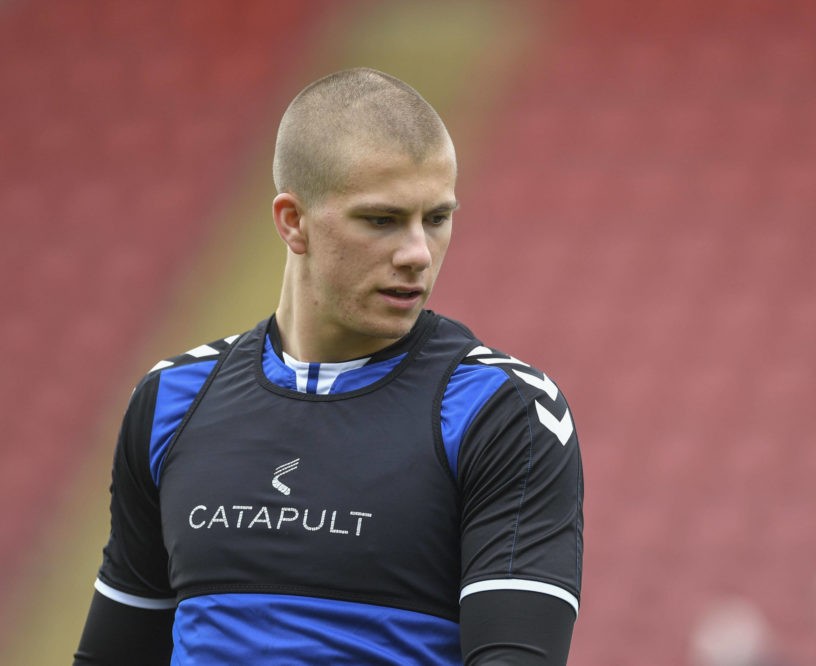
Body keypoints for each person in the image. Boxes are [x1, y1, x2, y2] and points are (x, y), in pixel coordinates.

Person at [74, 67, 583, 665]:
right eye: (382, 220)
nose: (417, 252)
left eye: (437, 218)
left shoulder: (503, 410)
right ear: (293, 221)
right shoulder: (171, 399)